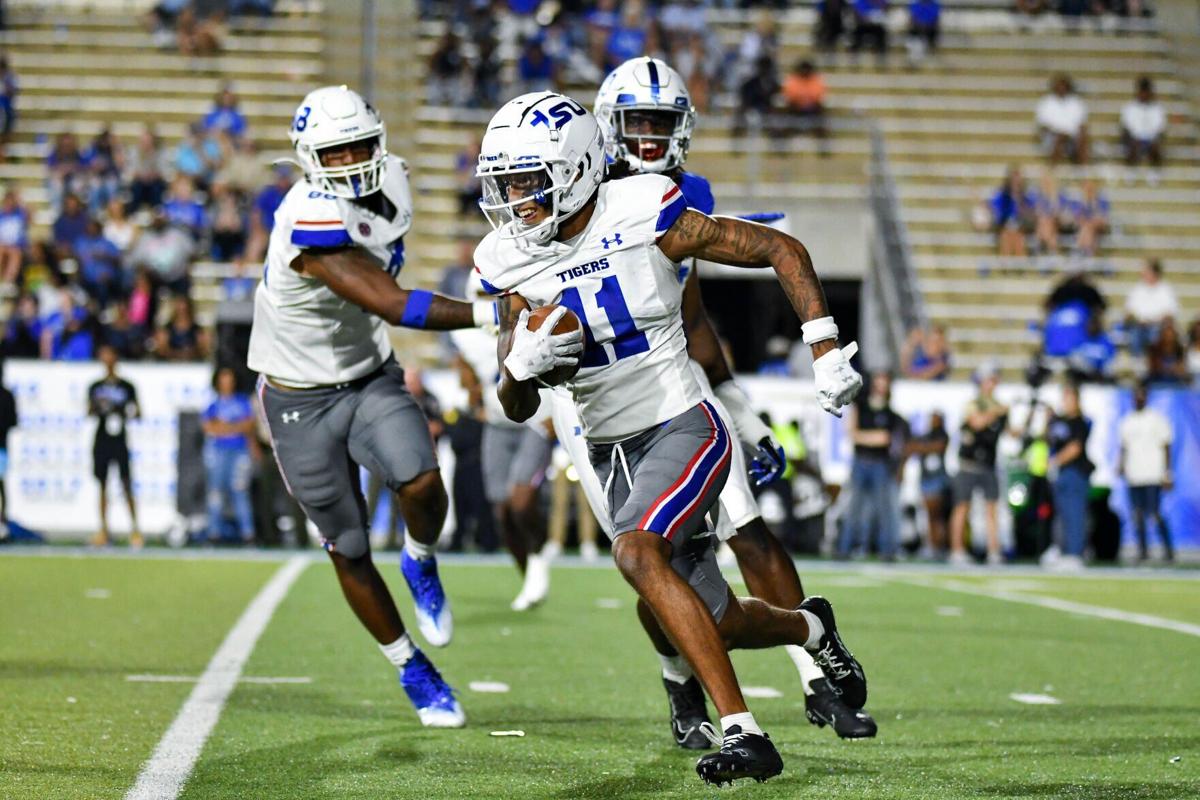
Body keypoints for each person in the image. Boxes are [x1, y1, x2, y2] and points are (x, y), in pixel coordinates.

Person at [476, 90, 866, 786]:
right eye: (505, 184)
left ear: (576, 170)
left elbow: (779, 247)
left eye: (529, 181)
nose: (515, 200)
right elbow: (514, 406)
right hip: (611, 450)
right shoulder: (505, 259)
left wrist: (825, 347)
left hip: (683, 422)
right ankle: (813, 629)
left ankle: (745, 732)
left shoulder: (642, 210)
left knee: (636, 552)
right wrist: (517, 368)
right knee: (719, 620)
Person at [592, 58, 876, 743]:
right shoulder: (579, 190)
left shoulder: (681, 195)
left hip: (678, 395)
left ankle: (815, 676)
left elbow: (689, 313)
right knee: (651, 563)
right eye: (637, 122)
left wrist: (737, 406)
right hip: (598, 407)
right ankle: (680, 685)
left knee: (747, 527)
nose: (650, 136)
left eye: (661, 122)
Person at [247, 86, 496, 729]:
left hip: (365, 374)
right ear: (308, 158)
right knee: (350, 546)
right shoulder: (307, 216)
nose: (352, 160)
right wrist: (490, 315)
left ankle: (419, 557)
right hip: (298, 396)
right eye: (336, 151)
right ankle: (410, 665)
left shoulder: (395, 180)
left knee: (422, 480)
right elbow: (391, 302)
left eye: (360, 145)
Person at [450, 272, 555, 611]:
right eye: (481, 295)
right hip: (497, 423)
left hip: (536, 420)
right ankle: (528, 576)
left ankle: (538, 557)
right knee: (501, 509)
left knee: (521, 499)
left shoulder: (528, 320)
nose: (490, 303)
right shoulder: (466, 336)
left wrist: (559, 412)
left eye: (494, 295)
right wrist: (475, 400)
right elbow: (466, 376)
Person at [838, 371, 905, 561]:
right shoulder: (861, 407)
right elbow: (853, 434)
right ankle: (845, 547)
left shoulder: (891, 414)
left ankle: (887, 550)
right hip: (861, 461)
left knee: (884, 509)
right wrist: (872, 437)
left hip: (879, 464)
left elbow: (885, 438)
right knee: (853, 507)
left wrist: (864, 436)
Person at [949, 365, 1010, 565]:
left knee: (992, 509)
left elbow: (1009, 431)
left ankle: (993, 550)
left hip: (988, 464)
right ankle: (957, 550)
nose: (991, 385)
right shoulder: (975, 404)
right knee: (962, 507)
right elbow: (977, 422)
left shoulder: (998, 406)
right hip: (969, 464)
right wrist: (997, 411)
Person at [88, 344, 142, 548]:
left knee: (126, 482)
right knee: (102, 484)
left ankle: (135, 529)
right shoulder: (95, 386)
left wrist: (123, 410)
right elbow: (89, 411)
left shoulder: (127, 386)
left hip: (120, 438)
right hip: (102, 437)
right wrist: (101, 407)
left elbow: (138, 412)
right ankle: (103, 530)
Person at [203, 367, 259, 543]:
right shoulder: (213, 405)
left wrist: (225, 427)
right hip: (218, 451)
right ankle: (214, 533)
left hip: (239, 451)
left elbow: (249, 425)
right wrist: (235, 427)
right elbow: (209, 427)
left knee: (240, 491)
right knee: (215, 492)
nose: (226, 384)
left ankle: (248, 534)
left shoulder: (242, 402)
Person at [1118, 384, 1173, 562]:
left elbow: (1166, 446)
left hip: (1152, 474)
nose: (1138, 399)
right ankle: (1143, 551)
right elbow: (1124, 447)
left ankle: (1168, 550)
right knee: (1137, 515)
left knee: (1155, 514)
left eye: (1141, 395)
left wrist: (1167, 473)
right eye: (1136, 396)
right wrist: (1121, 465)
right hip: (1134, 475)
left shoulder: (1156, 419)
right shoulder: (1127, 420)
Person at [1045, 382, 1092, 570]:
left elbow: (1075, 448)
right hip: (1062, 473)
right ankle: (1062, 550)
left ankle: (1075, 552)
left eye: (1069, 398)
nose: (1065, 402)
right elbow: (1049, 438)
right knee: (1062, 514)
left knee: (1075, 514)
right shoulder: (1059, 421)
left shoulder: (1080, 422)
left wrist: (1055, 461)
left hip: (1075, 471)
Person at [909, 410, 950, 559]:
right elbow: (911, 447)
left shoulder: (942, 434)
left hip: (937, 478)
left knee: (937, 515)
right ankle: (932, 545)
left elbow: (938, 447)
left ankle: (940, 545)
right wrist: (923, 447)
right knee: (930, 515)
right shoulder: (926, 435)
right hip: (926, 478)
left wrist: (923, 447)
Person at [1123, 258, 1179, 356]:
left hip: (1158, 326)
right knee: (1135, 333)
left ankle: (1153, 360)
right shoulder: (1137, 289)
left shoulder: (1166, 290)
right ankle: (1137, 360)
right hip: (1139, 325)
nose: (1143, 274)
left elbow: (1171, 312)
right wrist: (1137, 320)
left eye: (1146, 271)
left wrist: (1154, 321)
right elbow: (1129, 310)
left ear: (1155, 273)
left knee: (1155, 334)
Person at [979, 166, 1036, 257]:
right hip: (1004, 226)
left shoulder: (1026, 195)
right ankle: (1006, 263)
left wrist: (1021, 206)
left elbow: (1031, 209)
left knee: (1018, 237)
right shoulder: (1002, 194)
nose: (1016, 182)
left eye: (1018, 179)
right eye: (1014, 179)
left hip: (1021, 227)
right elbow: (992, 205)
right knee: (1006, 236)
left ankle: (1019, 262)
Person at [1036, 75, 1089, 165]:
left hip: (1073, 137)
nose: (1061, 88)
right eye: (1059, 86)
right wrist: (1058, 133)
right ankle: (1053, 166)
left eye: (1063, 86)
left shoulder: (1076, 102)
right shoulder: (1046, 102)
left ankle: (1083, 168)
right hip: (1052, 137)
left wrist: (1077, 134)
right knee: (1060, 138)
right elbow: (1043, 126)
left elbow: (1082, 124)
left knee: (1083, 137)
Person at [1120, 76, 1166, 168]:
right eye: (1142, 91)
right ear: (1138, 92)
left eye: (1146, 92)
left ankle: (1155, 173)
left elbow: (1161, 130)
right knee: (1132, 146)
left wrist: (1153, 140)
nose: (1144, 94)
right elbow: (1126, 128)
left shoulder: (1158, 109)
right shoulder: (1129, 108)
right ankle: (1131, 172)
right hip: (1134, 140)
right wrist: (1134, 139)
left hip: (1151, 141)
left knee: (1156, 147)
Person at [0, 359, 15, 537]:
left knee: (1, 483)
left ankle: (2, 522)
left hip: (1, 446)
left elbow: (12, 420)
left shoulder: (6, 395)